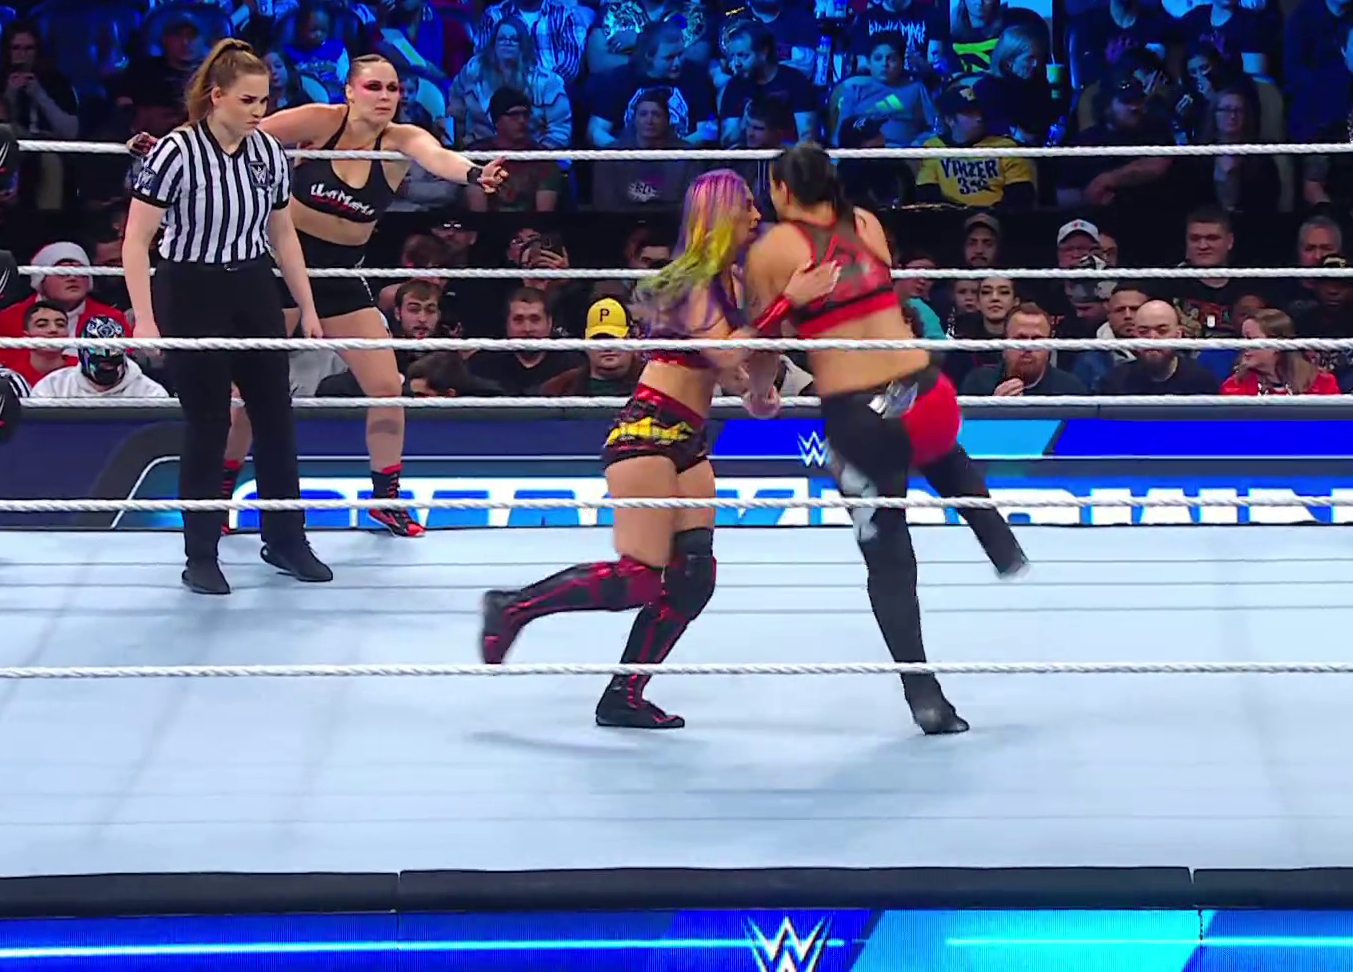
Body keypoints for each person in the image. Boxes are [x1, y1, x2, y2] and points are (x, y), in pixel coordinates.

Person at [478, 170, 834, 728]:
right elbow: (723, 352)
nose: (756, 215)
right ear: (720, 214)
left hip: (689, 439)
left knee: (693, 577)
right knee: (639, 577)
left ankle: (624, 694)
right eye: (746, 206)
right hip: (647, 431)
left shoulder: (738, 284)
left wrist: (761, 388)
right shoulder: (689, 280)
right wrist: (787, 301)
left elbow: (739, 371)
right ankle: (513, 607)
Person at [133, 56, 509, 537]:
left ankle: (386, 498)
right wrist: (169, 147)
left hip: (340, 276)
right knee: (247, 393)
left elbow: (439, 157)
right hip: (279, 271)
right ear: (349, 90)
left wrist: (475, 174)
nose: (385, 96)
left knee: (387, 385)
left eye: (392, 88)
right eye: (373, 86)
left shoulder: (401, 140)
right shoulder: (319, 121)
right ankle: (221, 494)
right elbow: (237, 126)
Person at [741, 144, 1029, 735]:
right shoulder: (867, 224)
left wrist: (762, 391)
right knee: (931, 441)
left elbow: (764, 344)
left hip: (863, 417)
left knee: (888, 553)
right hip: (927, 394)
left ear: (783, 190)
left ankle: (925, 695)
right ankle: (998, 540)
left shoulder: (772, 249)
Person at [120, 39, 335, 596]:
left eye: (264, 101)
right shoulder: (175, 151)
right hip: (190, 288)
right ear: (215, 96)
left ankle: (286, 539)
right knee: (209, 422)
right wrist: (145, 318)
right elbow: (137, 240)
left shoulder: (268, 153)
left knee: (275, 416)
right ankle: (200, 554)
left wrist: (308, 306)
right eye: (247, 101)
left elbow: (283, 233)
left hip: (252, 284)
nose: (258, 112)